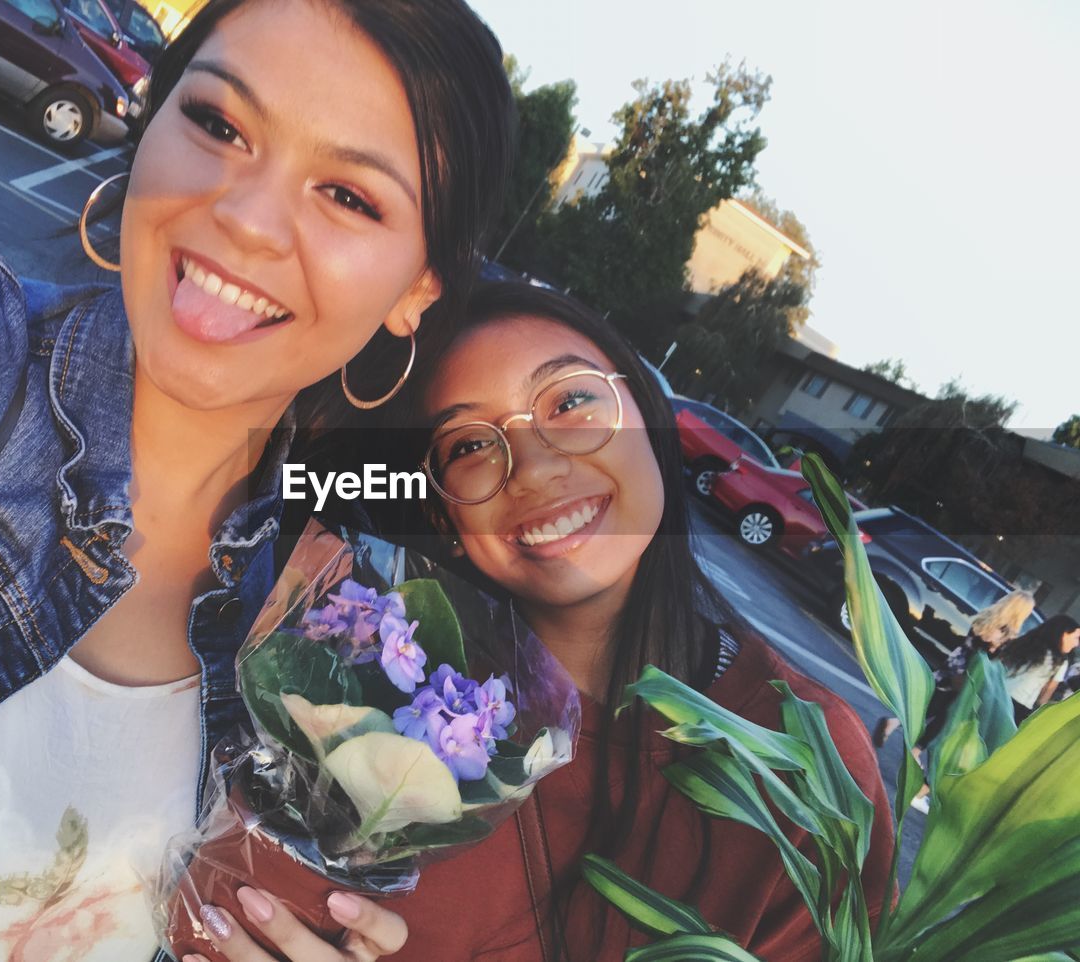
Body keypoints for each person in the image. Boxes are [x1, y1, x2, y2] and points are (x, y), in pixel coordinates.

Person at [0, 2, 513, 959]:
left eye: (349, 196)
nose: (247, 219)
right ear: (149, 120)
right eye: (219, 124)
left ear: (419, 286)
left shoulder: (326, 633)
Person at [191, 283, 896, 962]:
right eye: (468, 445)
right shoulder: (364, 678)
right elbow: (220, 900)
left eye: (571, 401)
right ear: (443, 513)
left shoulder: (810, 760)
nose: (531, 467)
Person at [873, 589, 1037, 750]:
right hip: (970, 676)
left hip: (955, 665)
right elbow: (989, 658)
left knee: (931, 706)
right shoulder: (1006, 635)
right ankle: (914, 747)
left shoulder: (986, 618)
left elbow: (971, 644)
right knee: (946, 715)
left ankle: (895, 725)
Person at [996, 614, 1080, 723]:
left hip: (997, 690)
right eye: (1076, 638)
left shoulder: (1028, 642)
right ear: (1064, 634)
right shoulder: (1059, 661)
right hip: (1018, 705)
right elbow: (1044, 696)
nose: (1076, 644)